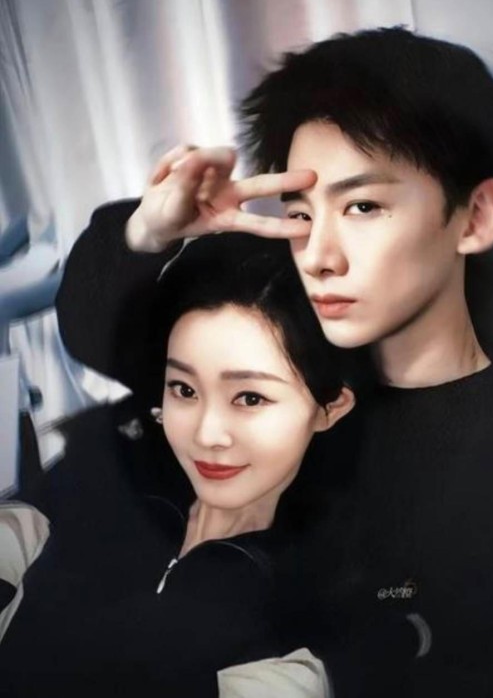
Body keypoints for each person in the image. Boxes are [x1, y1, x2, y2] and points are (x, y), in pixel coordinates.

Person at [54, 26, 493, 697]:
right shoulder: (287, 346)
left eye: (363, 206)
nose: (318, 256)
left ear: (475, 217)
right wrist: (150, 230)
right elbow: (102, 341)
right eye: (301, 214)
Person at [0, 231, 369, 696]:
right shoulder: (105, 473)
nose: (206, 434)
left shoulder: (309, 616)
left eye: (250, 398)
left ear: (330, 408)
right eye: (185, 389)